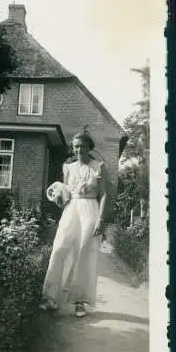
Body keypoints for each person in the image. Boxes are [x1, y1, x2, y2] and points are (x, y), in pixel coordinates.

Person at [40, 132, 108, 317]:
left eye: (82, 146)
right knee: (60, 248)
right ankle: (50, 298)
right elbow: (67, 191)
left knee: (83, 253)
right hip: (71, 210)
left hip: (90, 210)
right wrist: (60, 197)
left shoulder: (98, 167)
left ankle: (80, 302)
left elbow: (104, 195)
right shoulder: (68, 167)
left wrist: (100, 220)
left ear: (89, 147)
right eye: (76, 146)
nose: (78, 149)